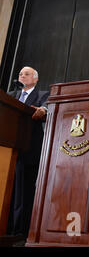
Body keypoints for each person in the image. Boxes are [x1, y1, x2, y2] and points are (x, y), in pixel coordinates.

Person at [7, 66, 49, 240]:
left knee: (24, 192)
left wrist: (43, 110)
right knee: (8, 191)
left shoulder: (42, 95)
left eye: (26, 74)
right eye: (20, 74)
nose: (22, 76)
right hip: (7, 150)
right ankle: (5, 228)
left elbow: (47, 107)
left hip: (28, 150)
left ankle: (20, 232)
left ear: (35, 78)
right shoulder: (10, 95)